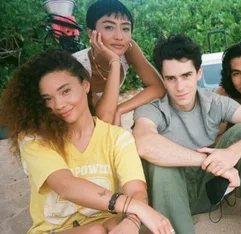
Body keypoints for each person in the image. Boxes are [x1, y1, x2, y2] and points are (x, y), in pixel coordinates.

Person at [0, 50, 174, 234]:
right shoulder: (35, 139)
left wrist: (132, 220)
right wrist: (137, 208)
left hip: (107, 224)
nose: (58, 105)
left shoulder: (117, 138)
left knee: (115, 226)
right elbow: (66, 186)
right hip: (55, 230)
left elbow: (136, 190)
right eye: (47, 99)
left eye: (65, 91)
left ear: (85, 86)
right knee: (95, 232)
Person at [132, 34, 241, 234]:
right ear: (163, 78)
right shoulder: (151, 110)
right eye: (171, 78)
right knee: (160, 163)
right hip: (167, 198)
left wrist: (232, 153)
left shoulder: (214, 102)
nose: (180, 87)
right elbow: (144, 144)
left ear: (198, 73)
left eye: (186, 75)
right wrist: (209, 161)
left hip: (206, 191)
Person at [73, 0, 165, 125]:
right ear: (91, 32)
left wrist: (120, 109)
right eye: (109, 27)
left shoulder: (129, 48)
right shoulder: (78, 65)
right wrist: (115, 62)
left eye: (125, 28)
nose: (119, 36)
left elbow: (159, 87)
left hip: (106, 113)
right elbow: (103, 118)